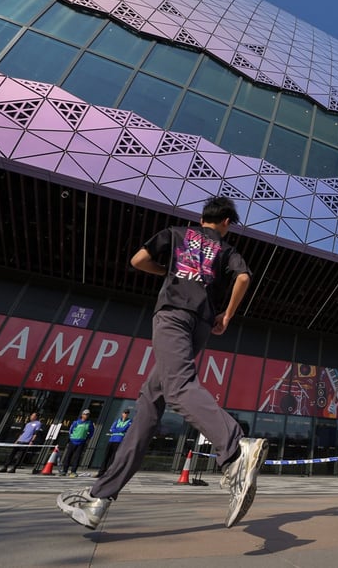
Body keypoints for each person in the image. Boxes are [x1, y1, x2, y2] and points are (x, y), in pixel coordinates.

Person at [57, 196, 267, 531]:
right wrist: (226, 315)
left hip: (171, 316)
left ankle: (235, 449)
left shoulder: (175, 233)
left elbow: (138, 260)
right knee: (148, 407)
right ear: (226, 222)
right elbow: (243, 278)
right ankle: (100, 497)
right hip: (200, 324)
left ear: (204, 218)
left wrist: (167, 271)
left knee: (178, 386)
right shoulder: (226, 250)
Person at [96, 408, 132, 477]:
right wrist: (119, 430)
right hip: (112, 440)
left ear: (128, 414)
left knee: (113, 458)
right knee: (106, 456)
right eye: (124, 413)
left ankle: (108, 473)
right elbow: (112, 429)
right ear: (122, 413)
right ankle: (101, 472)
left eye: (127, 413)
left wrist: (117, 429)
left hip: (119, 441)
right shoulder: (117, 420)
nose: (125, 414)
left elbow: (125, 429)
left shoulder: (130, 421)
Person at [59, 409, 94, 477]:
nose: (86, 416)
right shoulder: (76, 422)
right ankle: (64, 471)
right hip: (73, 441)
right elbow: (70, 430)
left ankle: (73, 471)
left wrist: (86, 438)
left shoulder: (89, 423)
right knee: (68, 456)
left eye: (87, 414)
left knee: (77, 457)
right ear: (82, 415)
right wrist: (71, 438)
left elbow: (91, 432)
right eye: (85, 414)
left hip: (81, 442)